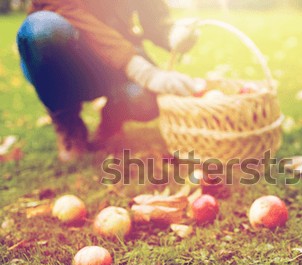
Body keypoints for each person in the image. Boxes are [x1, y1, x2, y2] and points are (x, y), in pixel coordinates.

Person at [16, 0, 200, 162]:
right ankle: (68, 123)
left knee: (145, 100)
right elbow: (62, 7)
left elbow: (153, 16)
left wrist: (172, 33)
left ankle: (112, 119)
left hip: (112, 62)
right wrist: (139, 69)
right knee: (44, 30)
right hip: (64, 57)